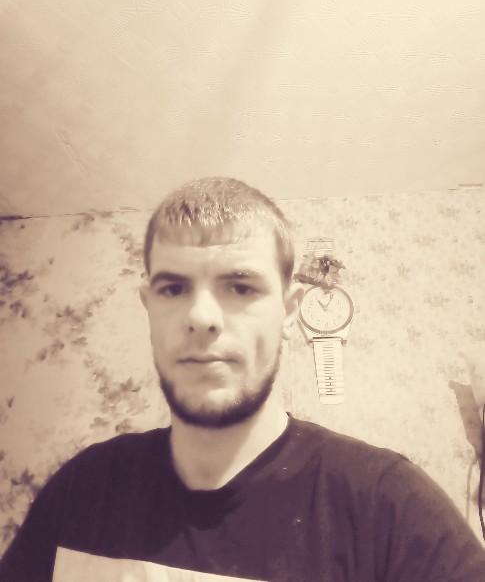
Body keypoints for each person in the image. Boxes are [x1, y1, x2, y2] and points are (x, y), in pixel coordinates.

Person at [1, 176, 484, 581]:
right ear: (148, 308)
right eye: (173, 288)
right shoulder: (84, 486)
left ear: (289, 312)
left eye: (240, 286)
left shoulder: (388, 505)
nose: (201, 317)